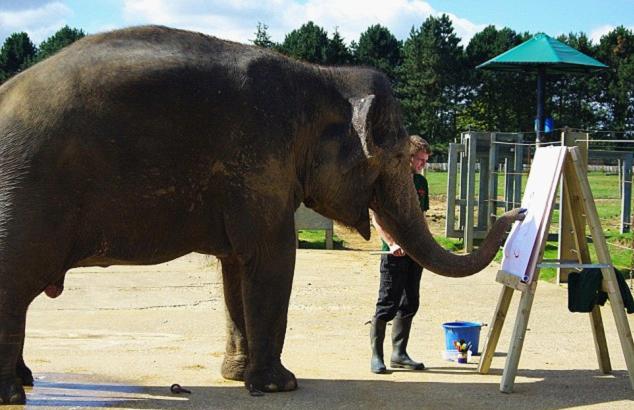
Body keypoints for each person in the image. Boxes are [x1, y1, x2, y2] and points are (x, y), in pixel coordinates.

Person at [370, 135, 431, 374]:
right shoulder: (387, 180)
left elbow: (421, 217)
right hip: (393, 253)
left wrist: (427, 244)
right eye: (420, 160)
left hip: (415, 252)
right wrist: (392, 243)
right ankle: (377, 356)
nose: (422, 165)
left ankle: (399, 353)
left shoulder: (420, 183)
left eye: (425, 161)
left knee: (410, 302)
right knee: (387, 303)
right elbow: (377, 217)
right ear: (408, 157)